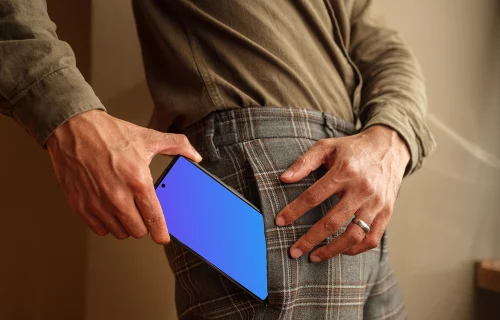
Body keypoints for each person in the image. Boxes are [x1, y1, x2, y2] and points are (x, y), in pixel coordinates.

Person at [1, 0, 436, 319]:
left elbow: (384, 47)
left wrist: (393, 138)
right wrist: (68, 115)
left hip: (358, 185)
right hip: (265, 169)